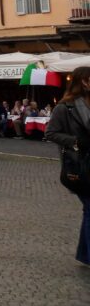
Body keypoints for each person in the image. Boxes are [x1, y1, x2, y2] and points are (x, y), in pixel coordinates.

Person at [45, 66, 90, 267]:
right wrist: (76, 141)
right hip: (79, 165)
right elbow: (51, 133)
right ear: (83, 82)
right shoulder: (65, 107)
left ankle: (85, 255)